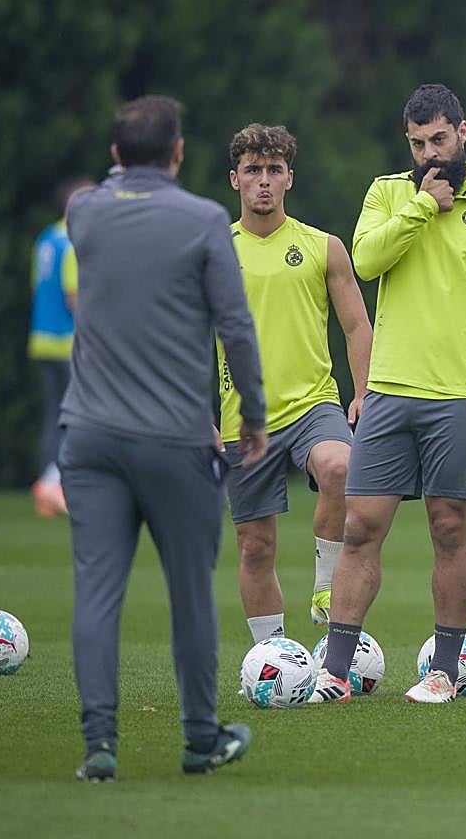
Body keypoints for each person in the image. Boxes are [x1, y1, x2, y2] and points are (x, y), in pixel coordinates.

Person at [60, 95, 267, 780]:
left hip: (89, 435)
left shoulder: (85, 211)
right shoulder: (204, 220)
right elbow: (235, 326)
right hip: (175, 440)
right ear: (178, 152)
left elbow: (103, 194)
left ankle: (99, 745)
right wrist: (253, 416)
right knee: (191, 594)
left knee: (96, 593)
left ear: (116, 154)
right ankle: (201, 738)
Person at [309, 83, 466, 704]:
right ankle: (335, 673)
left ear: (463, 132)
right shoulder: (388, 194)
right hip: (388, 390)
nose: (430, 154)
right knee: (360, 526)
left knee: (449, 528)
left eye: (439, 139)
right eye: (417, 144)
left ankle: (444, 671)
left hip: (461, 394)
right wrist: (421, 207)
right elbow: (366, 261)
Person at [220, 124, 372, 644]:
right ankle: (273, 657)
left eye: (274, 170)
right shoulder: (214, 252)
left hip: (314, 404)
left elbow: (357, 325)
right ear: (235, 179)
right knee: (255, 546)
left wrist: (363, 392)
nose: (263, 180)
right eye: (253, 170)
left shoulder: (322, 247)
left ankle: (326, 587)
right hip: (243, 417)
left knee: (340, 467)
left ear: (290, 178)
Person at [28, 177, 93, 517]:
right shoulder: (73, 241)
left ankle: (46, 485)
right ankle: (60, 485)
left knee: (52, 416)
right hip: (68, 342)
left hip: (42, 339)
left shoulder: (46, 238)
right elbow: (74, 298)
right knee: (74, 418)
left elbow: (37, 289)